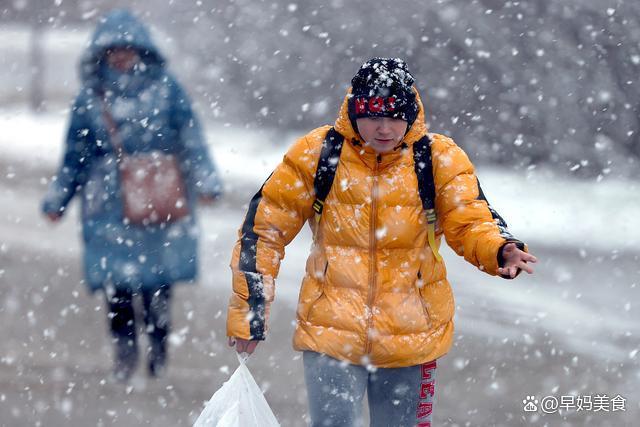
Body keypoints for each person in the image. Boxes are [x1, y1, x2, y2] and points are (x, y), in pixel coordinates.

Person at [226, 58, 536, 426]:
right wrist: (250, 311)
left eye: (396, 116)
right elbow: (264, 230)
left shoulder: (437, 158)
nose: (385, 128)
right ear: (353, 111)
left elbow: (470, 220)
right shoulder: (319, 153)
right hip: (331, 331)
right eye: (373, 116)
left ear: (413, 113)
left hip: (413, 335)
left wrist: (499, 248)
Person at [42, 9, 222, 382]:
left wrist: (206, 180)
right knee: (117, 287)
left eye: (128, 49)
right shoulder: (91, 97)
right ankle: (125, 352)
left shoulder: (167, 88)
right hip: (107, 206)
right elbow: (75, 155)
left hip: (159, 201)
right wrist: (59, 198)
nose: (121, 57)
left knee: (158, 284)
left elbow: (191, 136)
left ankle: (157, 345)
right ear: (102, 54)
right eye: (114, 51)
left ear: (142, 50)